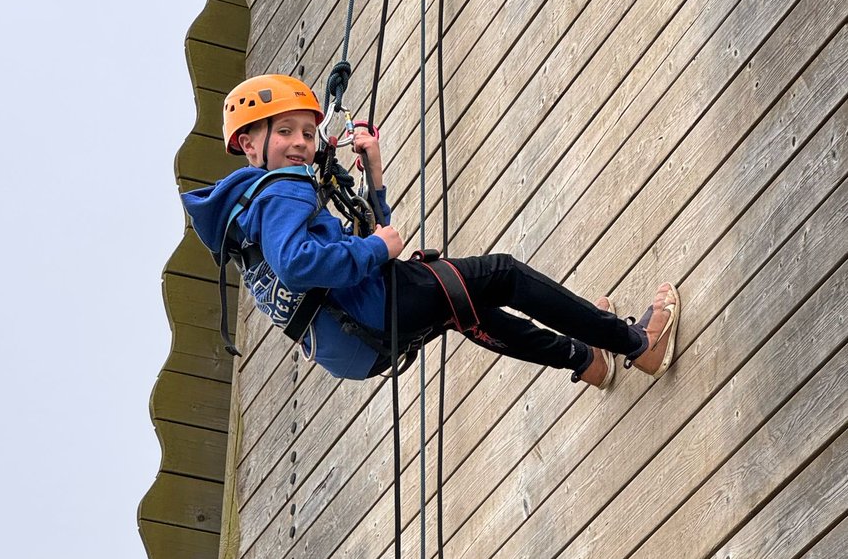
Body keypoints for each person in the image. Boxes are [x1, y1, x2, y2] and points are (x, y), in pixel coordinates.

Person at [181, 74, 680, 386]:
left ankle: (585, 358)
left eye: (308, 133)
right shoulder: (280, 190)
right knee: (502, 275)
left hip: (358, 347)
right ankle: (636, 344)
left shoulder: (243, 220)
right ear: (249, 144)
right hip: (376, 307)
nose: (301, 144)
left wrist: (374, 176)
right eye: (285, 130)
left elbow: (365, 233)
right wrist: (376, 250)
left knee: (462, 309)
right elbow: (302, 264)